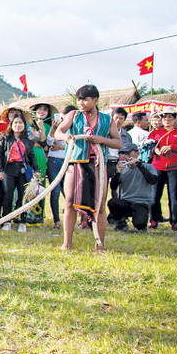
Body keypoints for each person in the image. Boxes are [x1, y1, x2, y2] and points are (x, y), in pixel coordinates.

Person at [53, 84, 122, 251]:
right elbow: (58, 133)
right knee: (69, 202)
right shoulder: (73, 115)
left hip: (98, 165)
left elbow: (117, 142)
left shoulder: (107, 120)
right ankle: (67, 243)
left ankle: (100, 244)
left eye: (85, 99)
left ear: (95, 100)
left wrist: (101, 140)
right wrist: (66, 137)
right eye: (78, 99)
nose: (81, 102)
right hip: (76, 162)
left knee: (99, 204)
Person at [0, 112, 39, 232]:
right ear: (11, 124)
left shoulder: (28, 140)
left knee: (23, 196)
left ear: (24, 125)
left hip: (23, 170)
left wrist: (37, 169)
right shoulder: (4, 137)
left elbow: (31, 156)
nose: (18, 125)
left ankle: (22, 221)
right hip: (8, 169)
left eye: (20, 123)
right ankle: (7, 220)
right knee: (8, 195)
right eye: (15, 122)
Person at [147, 109, 177, 231]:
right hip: (158, 166)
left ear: (175, 119)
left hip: (175, 167)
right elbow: (149, 146)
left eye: (170, 117)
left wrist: (172, 147)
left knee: (174, 196)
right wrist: (155, 150)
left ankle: (175, 222)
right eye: (165, 118)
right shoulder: (155, 133)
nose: (167, 120)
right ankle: (154, 220)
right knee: (154, 196)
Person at [107, 143, 157, 231]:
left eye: (129, 153)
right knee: (113, 202)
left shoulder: (148, 167)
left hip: (141, 202)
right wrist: (117, 173)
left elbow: (153, 180)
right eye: (124, 154)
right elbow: (113, 187)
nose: (127, 156)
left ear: (137, 153)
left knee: (140, 225)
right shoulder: (123, 169)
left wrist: (139, 165)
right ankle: (121, 222)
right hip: (126, 202)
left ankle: (141, 220)